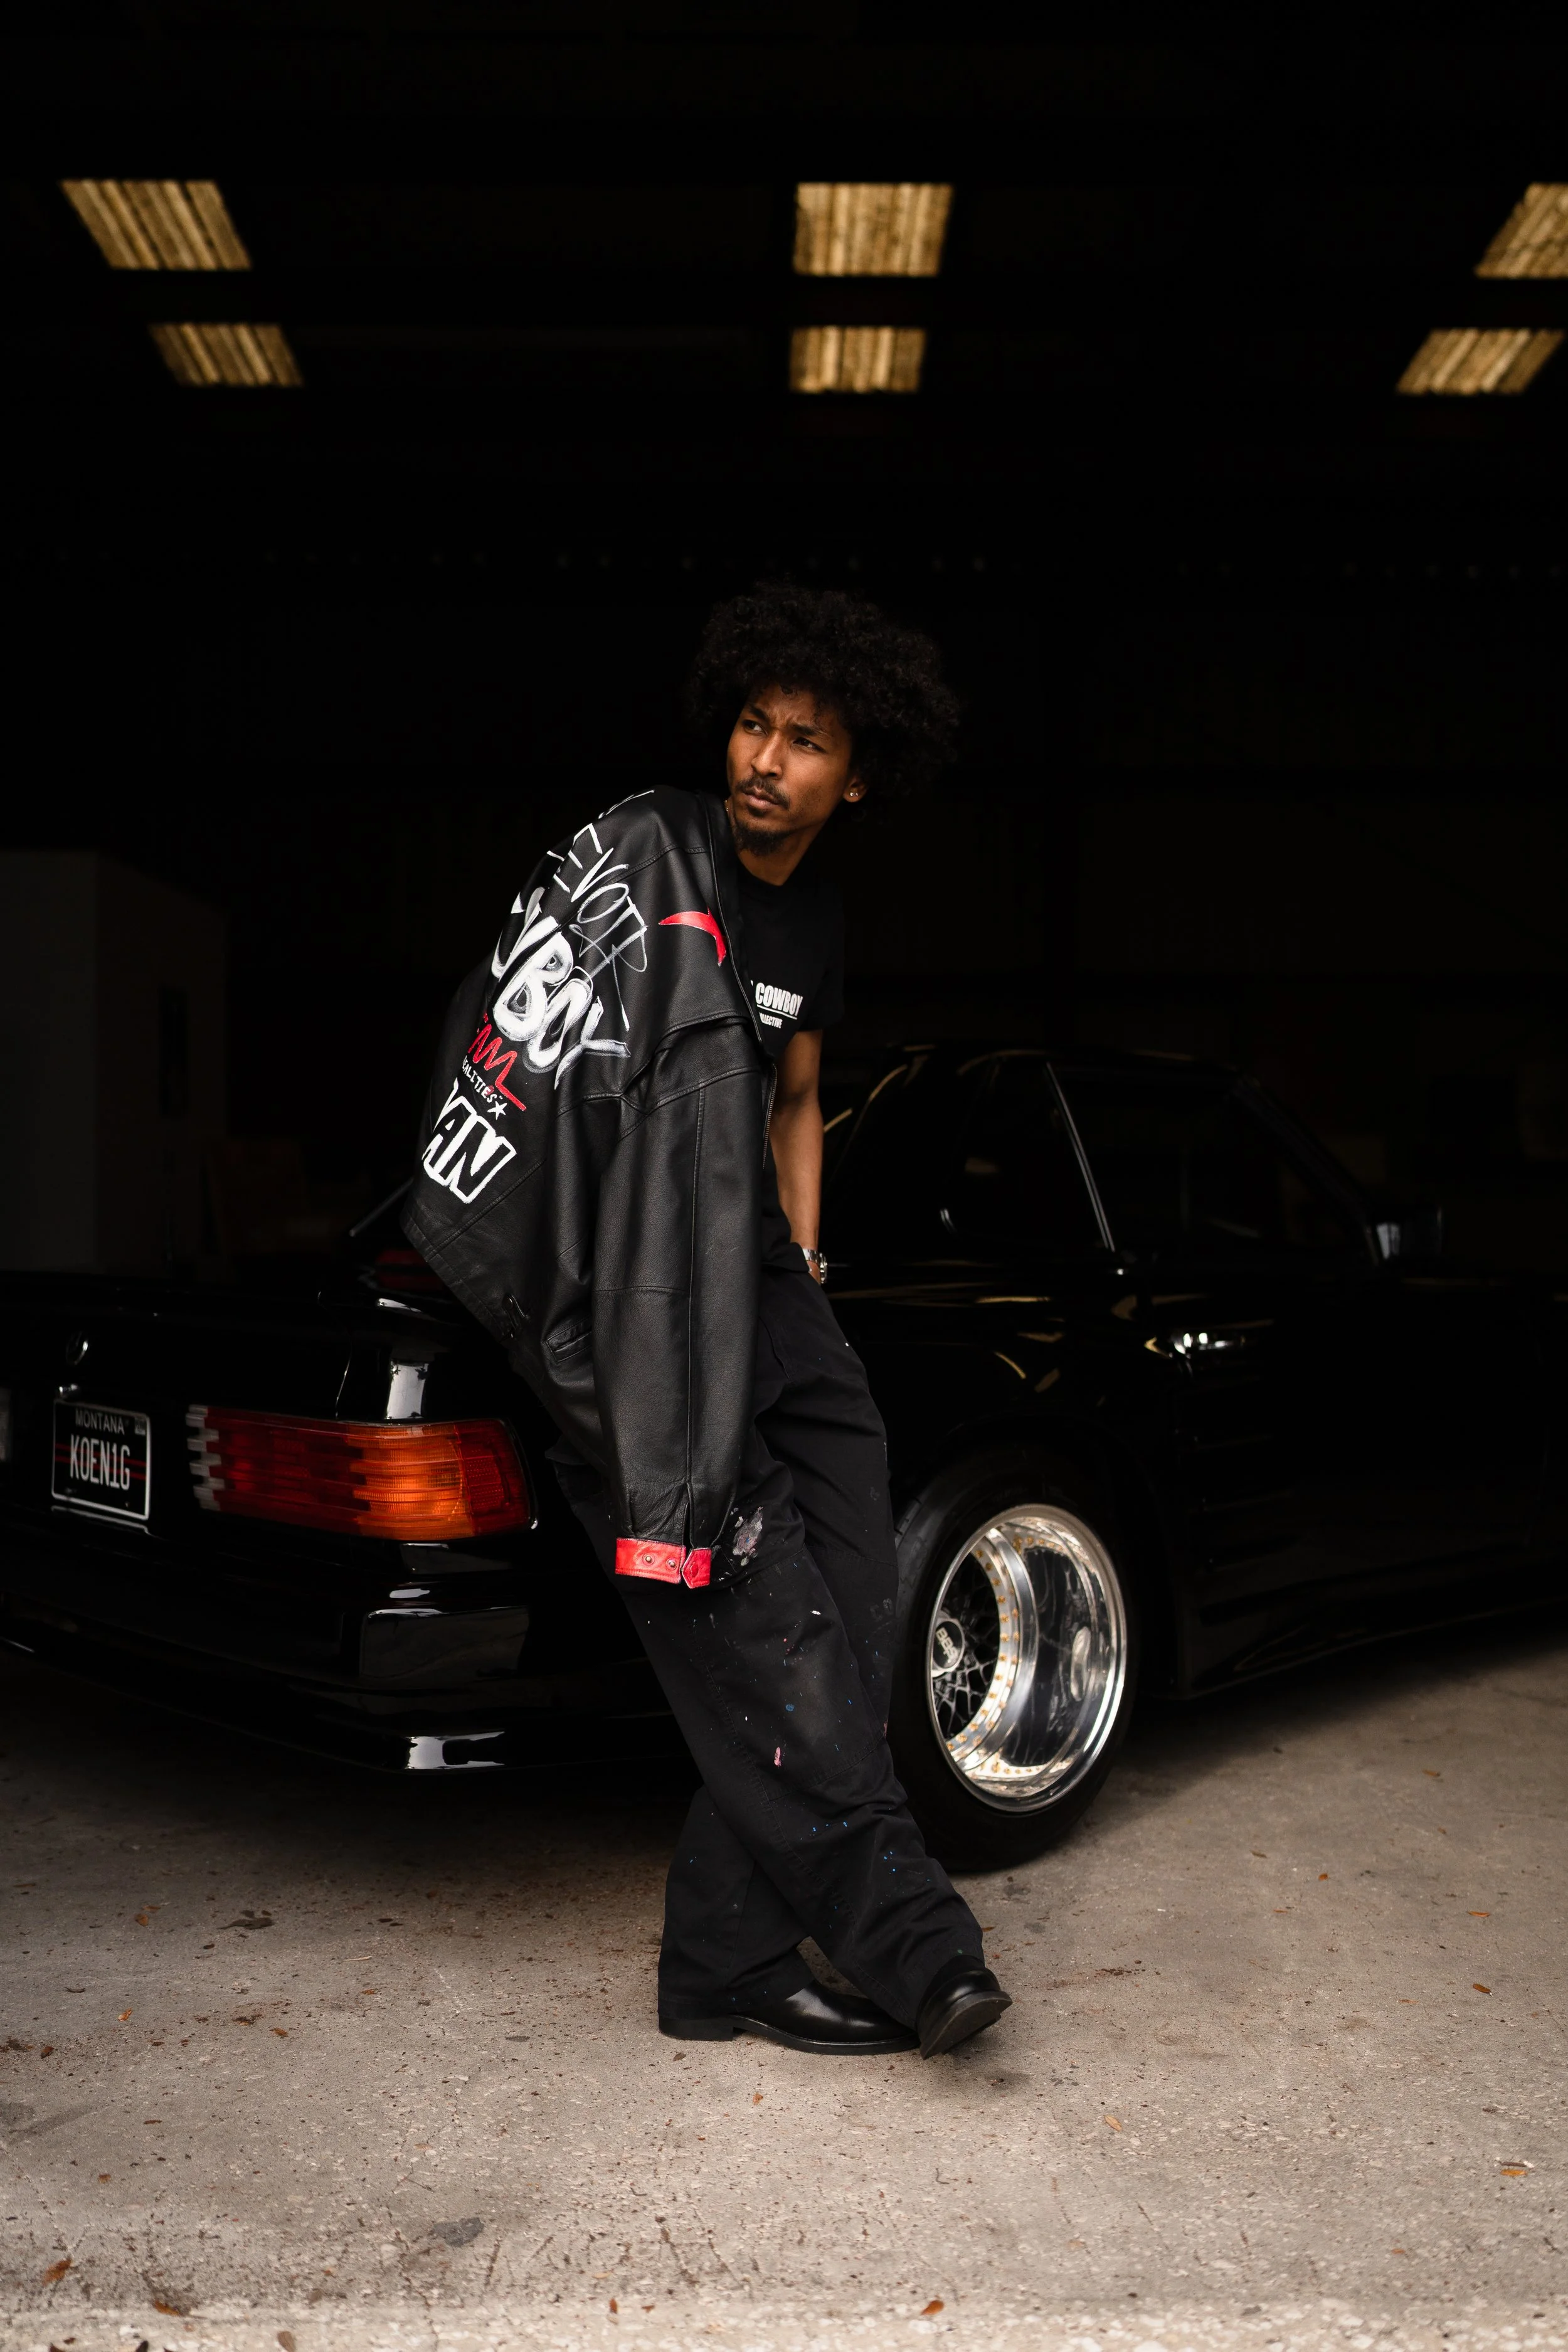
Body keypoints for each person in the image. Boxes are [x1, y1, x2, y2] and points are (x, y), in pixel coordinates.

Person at [404, 581, 1010, 2061]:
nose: (763, 759)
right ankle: (882, 1946)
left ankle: (720, 1954)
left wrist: (803, 1259)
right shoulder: (651, 854)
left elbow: (796, 1098)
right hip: (636, 1290)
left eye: (803, 741)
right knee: (754, 1616)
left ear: (851, 777)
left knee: (857, 1586)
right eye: (752, 722)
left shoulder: (815, 913)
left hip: (760, 1283)